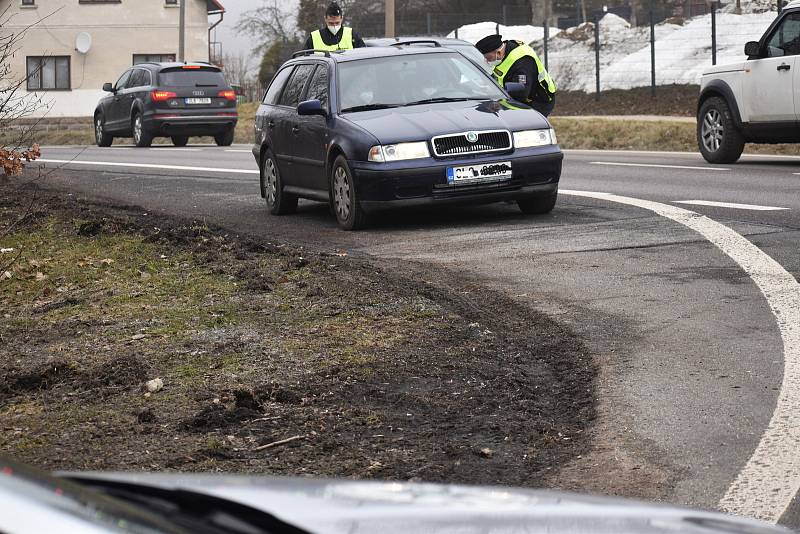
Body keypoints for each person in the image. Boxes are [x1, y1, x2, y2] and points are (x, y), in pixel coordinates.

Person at [475, 34, 557, 117]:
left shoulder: (522, 63)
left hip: (538, 100)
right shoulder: (505, 50)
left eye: (488, 58)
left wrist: (500, 93)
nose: (487, 61)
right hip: (523, 96)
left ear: (499, 53)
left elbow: (521, 90)